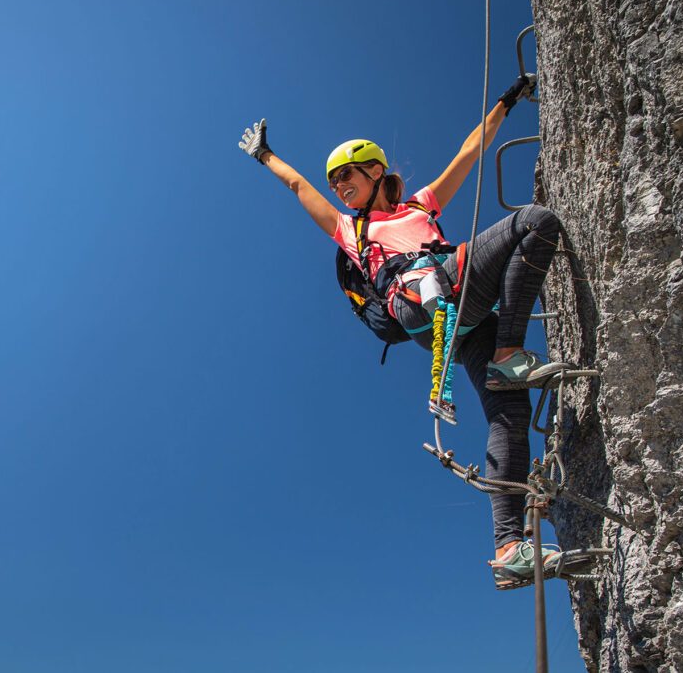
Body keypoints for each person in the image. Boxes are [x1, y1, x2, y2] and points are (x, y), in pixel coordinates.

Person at [239, 75, 572, 588]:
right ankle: (510, 351)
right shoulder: (352, 231)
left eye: (346, 174)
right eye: (335, 180)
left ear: (376, 171)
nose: (338, 185)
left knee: (509, 413)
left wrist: (507, 99)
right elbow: (298, 185)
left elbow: (469, 151)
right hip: (423, 302)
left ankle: (509, 548)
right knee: (533, 223)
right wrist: (266, 156)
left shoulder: (421, 205)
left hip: (461, 318)